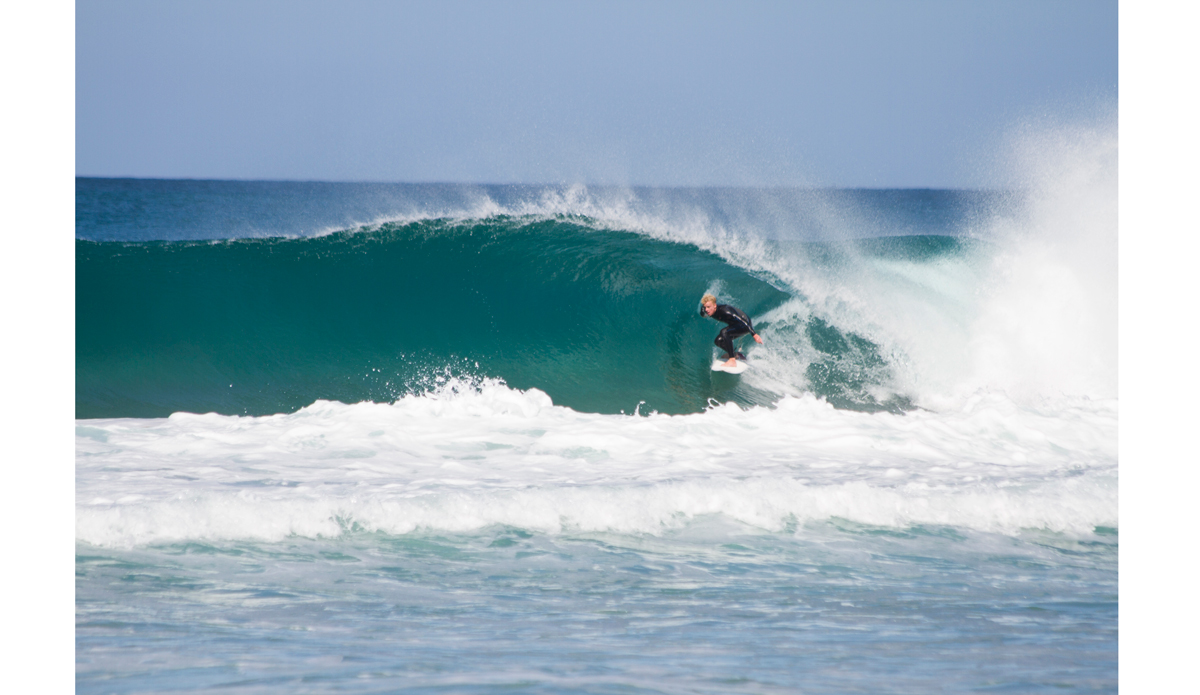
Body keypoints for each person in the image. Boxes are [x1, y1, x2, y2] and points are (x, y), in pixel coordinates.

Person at [700, 294, 763, 368]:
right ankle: (735, 355)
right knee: (718, 341)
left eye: (708, 307)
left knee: (724, 332)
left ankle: (732, 360)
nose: (706, 309)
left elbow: (742, 321)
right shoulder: (707, 310)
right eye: (705, 307)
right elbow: (703, 312)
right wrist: (702, 312)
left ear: (715, 306)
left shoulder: (725, 311)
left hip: (744, 325)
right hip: (734, 325)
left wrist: (754, 334)